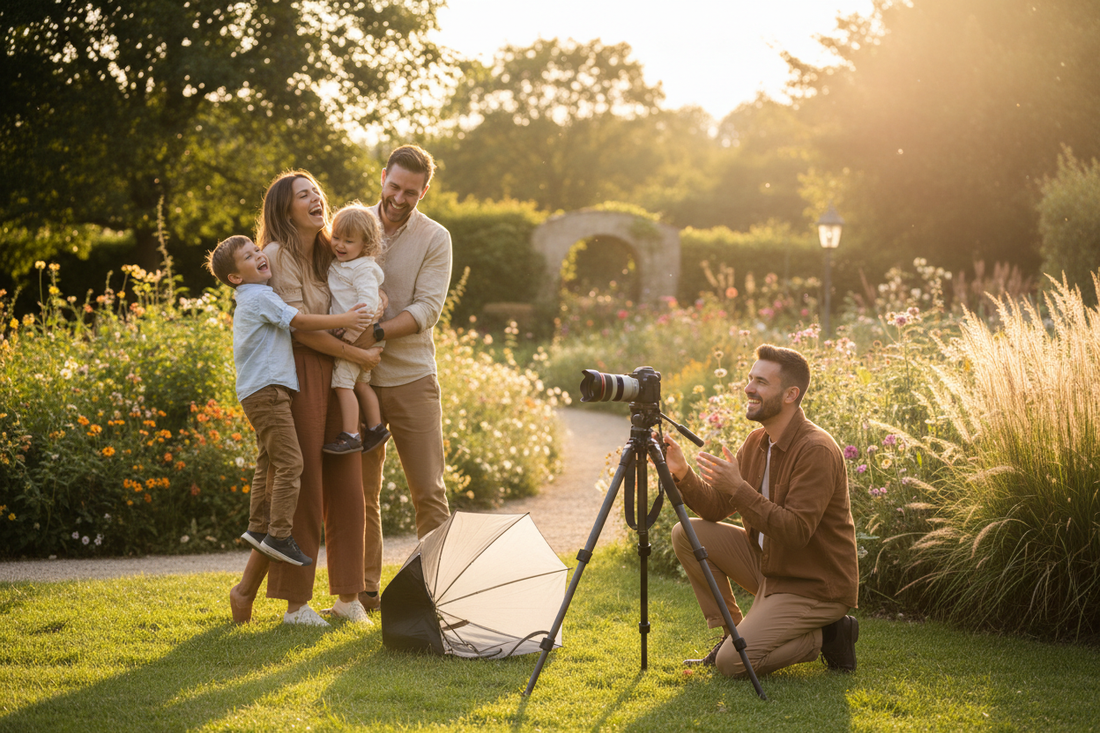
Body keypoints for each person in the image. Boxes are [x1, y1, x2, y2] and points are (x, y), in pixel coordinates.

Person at [228, 170, 382, 627]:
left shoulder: (334, 248)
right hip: (300, 372)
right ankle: (295, 604)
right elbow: (300, 329)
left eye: (317, 191)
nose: (316, 198)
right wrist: (358, 354)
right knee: (306, 488)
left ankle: (349, 597)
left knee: (348, 485)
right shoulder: (276, 255)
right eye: (303, 195)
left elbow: (367, 286)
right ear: (285, 208)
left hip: (339, 374)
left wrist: (376, 304)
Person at [662, 343, 860, 677]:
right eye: (750, 379)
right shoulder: (757, 442)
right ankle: (731, 633)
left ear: (790, 394)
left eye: (761, 382)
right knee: (687, 533)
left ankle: (828, 635)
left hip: (814, 584)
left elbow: (796, 532)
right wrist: (682, 472)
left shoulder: (816, 450)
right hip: (772, 567)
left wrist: (738, 488)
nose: (748, 388)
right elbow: (716, 507)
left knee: (732, 663)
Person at [205, 235, 373, 569]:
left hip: (258, 391)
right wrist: (344, 319)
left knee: (268, 460)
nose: (259, 256)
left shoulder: (250, 297)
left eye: (256, 250)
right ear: (235, 277)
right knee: (291, 463)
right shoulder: (260, 297)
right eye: (248, 257)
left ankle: (258, 527)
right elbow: (299, 321)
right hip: (268, 391)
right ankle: (279, 535)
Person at [355, 144, 452, 612]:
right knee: (360, 493)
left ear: (424, 192)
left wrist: (373, 332)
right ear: (382, 177)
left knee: (428, 492)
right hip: (358, 381)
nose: (399, 198)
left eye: (410, 192)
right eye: (394, 186)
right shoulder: (354, 224)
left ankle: (438, 593)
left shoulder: (435, 237)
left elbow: (428, 309)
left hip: (412, 378)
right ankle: (363, 593)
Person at [321, 203, 391, 455]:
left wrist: (350, 335)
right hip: (359, 333)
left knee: (342, 384)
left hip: (360, 335)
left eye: (349, 241)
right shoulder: (345, 263)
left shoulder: (362, 268)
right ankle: (376, 427)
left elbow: (368, 305)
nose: (340, 245)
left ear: (366, 244)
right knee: (361, 384)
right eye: (336, 237)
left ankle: (351, 435)